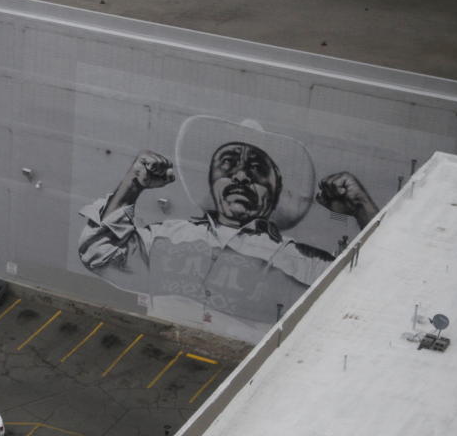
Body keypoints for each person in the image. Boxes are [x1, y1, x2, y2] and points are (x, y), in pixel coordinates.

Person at [78, 132, 378, 331]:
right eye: (228, 165)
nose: (241, 176)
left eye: (258, 170)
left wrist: (361, 206)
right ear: (212, 181)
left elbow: (376, 295)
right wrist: (133, 184)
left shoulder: (301, 259)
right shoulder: (166, 235)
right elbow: (98, 253)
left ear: (275, 192)